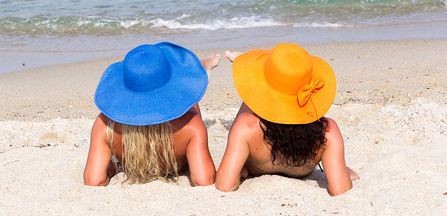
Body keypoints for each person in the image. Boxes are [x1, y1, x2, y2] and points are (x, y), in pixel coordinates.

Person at [215, 43, 359, 196]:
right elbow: (340, 190)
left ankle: (253, 64)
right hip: (301, 169)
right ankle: (272, 70)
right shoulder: (327, 131)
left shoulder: (247, 126)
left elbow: (225, 185)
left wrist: (238, 173)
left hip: (257, 164)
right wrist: (341, 171)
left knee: (251, 102)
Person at [83, 42, 220, 187]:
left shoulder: (106, 126)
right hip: (176, 147)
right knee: (188, 101)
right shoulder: (191, 126)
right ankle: (201, 70)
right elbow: (203, 180)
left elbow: (94, 180)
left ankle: (202, 69)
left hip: (133, 154)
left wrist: (112, 167)